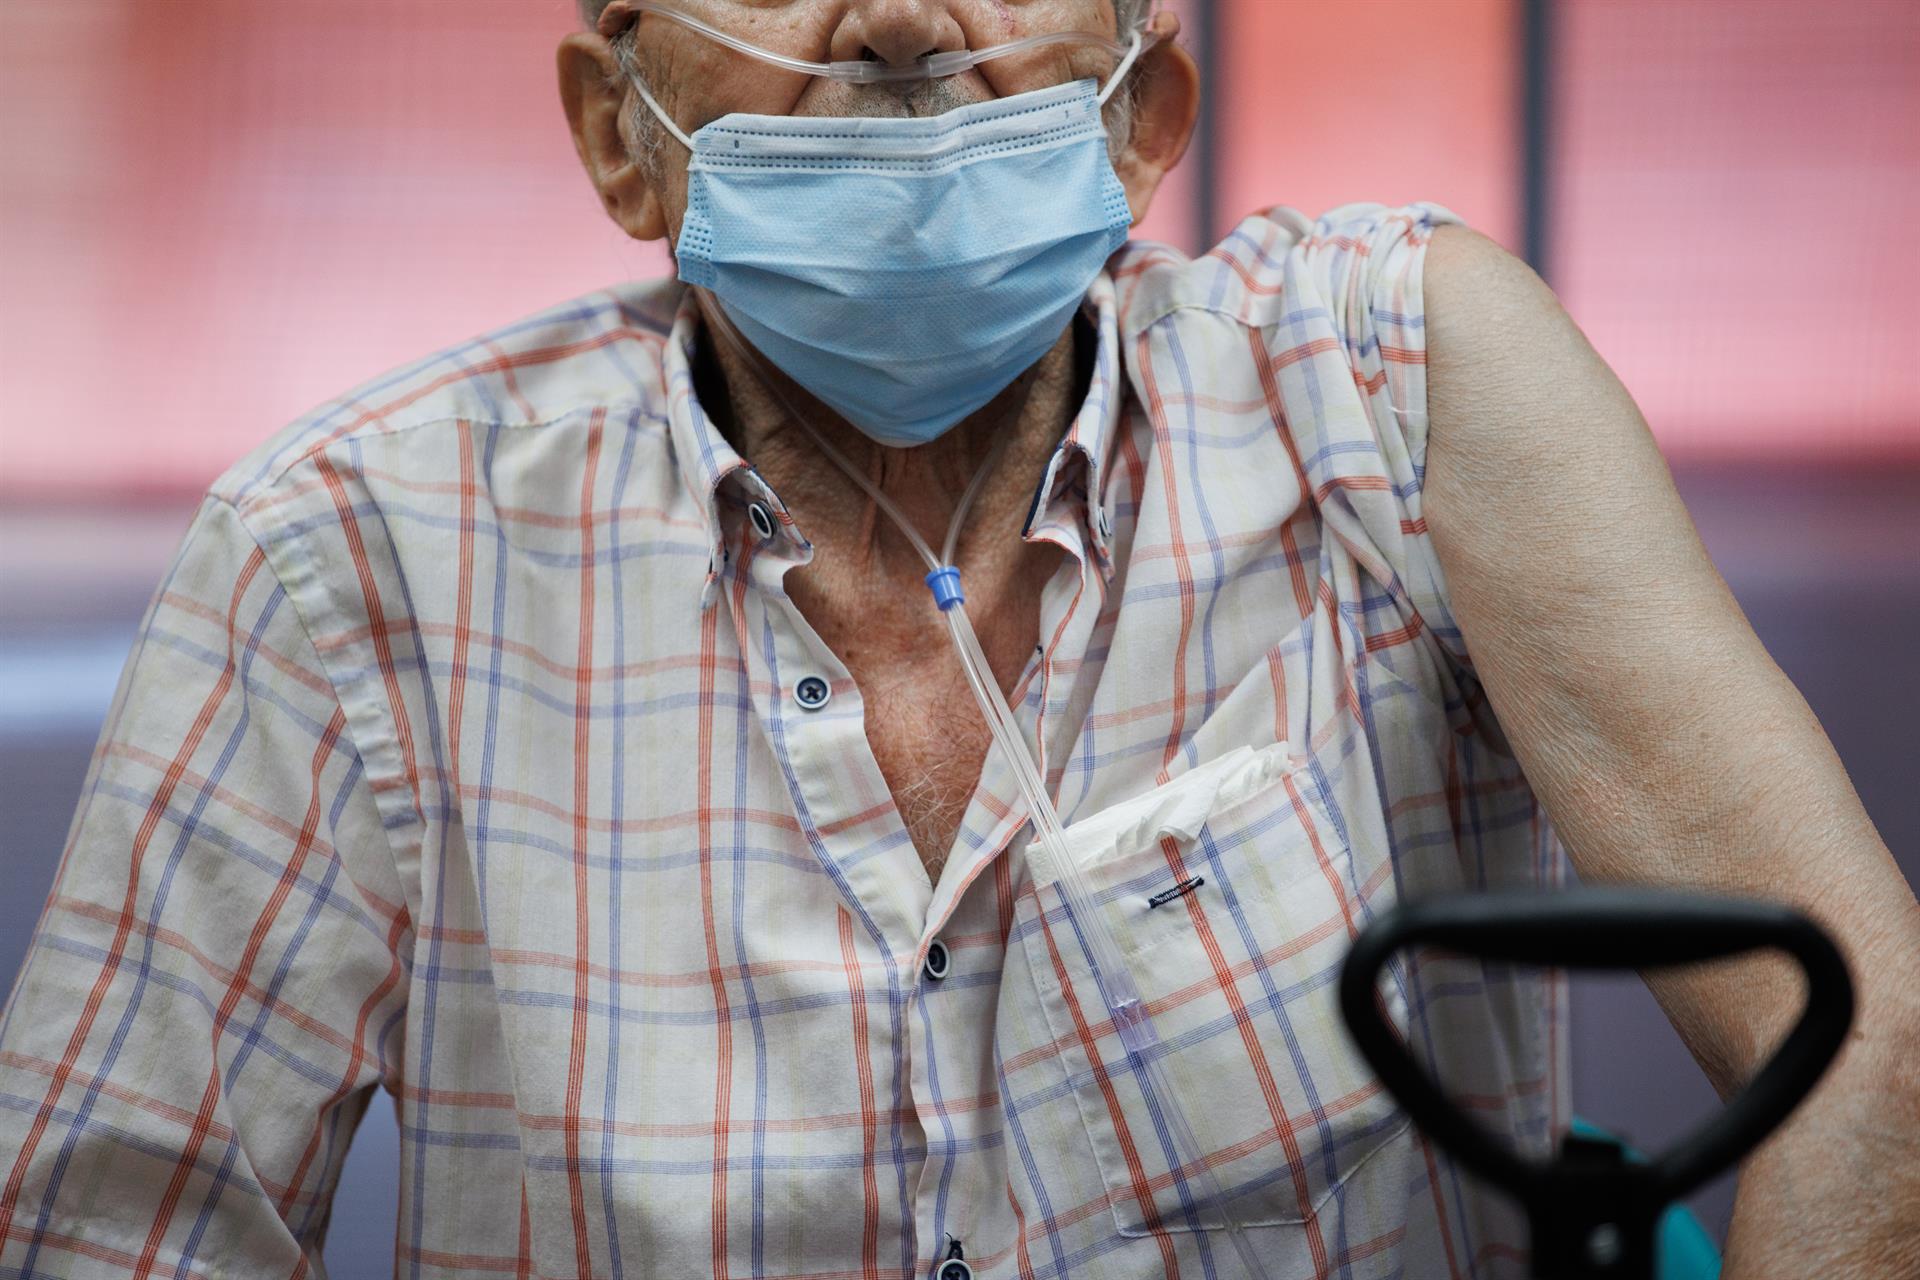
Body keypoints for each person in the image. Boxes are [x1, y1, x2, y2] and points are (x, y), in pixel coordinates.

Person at [2, 1, 1915, 1276]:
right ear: (621, 131)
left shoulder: (1393, 385)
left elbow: (1869, 1049)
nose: (905, 11)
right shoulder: (347, 560)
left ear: (1144, 109)